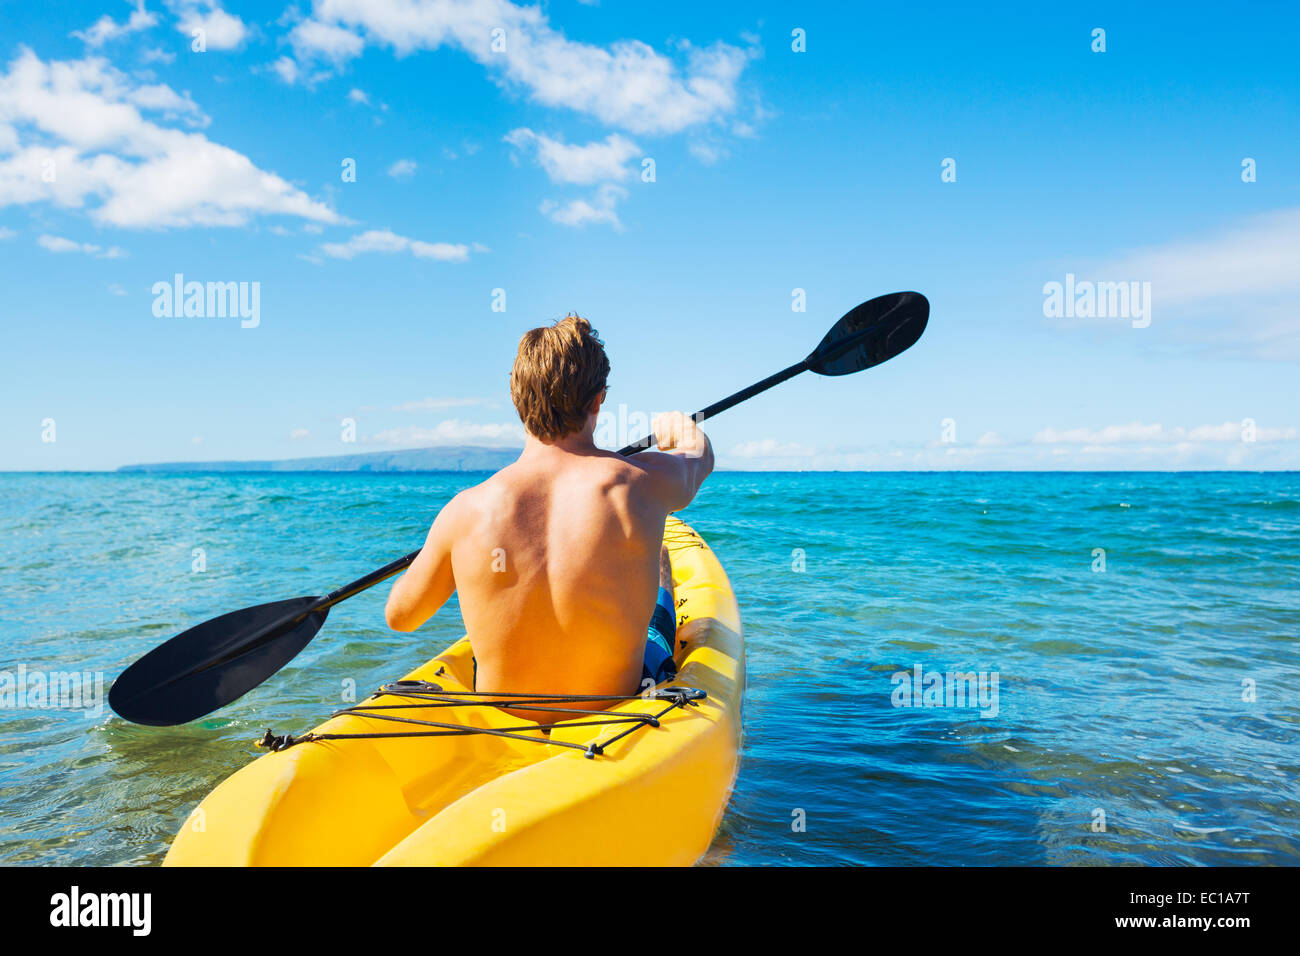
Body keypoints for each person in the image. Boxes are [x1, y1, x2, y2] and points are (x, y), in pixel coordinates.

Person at [384, 314, 713, 723]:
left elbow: (400, 617)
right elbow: (698, 460)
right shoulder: (640, 483)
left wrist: (442, 552)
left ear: (517, 401)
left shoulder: (466, 510)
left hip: (507, 717)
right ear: (598, 400)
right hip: (614, 709)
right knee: (659, 583)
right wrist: (681, 430)